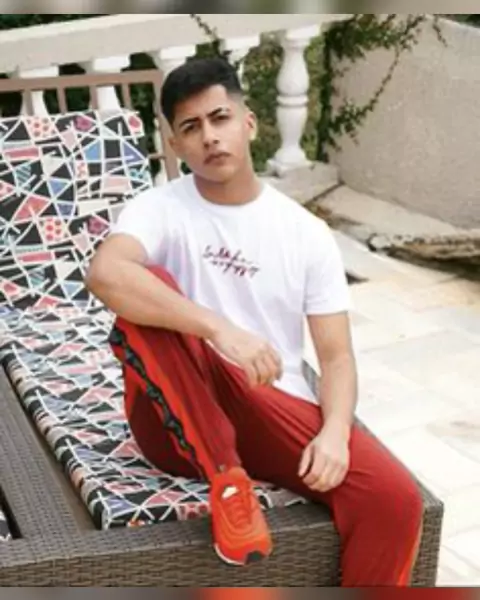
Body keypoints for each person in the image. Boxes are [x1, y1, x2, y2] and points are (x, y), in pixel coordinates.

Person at [86, 56, 423, 586]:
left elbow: (336, 357)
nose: (209, 137)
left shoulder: (305, 233)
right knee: (146, 291)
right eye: (191, 127)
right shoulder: (158, 209)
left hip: (265, 404)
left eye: (220, 118)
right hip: (171, 419)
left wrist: (336, 432)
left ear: (249, 123)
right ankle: (227, 482)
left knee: (396, 499)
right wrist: (219, 329)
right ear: (174, 144)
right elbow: (105, 273)